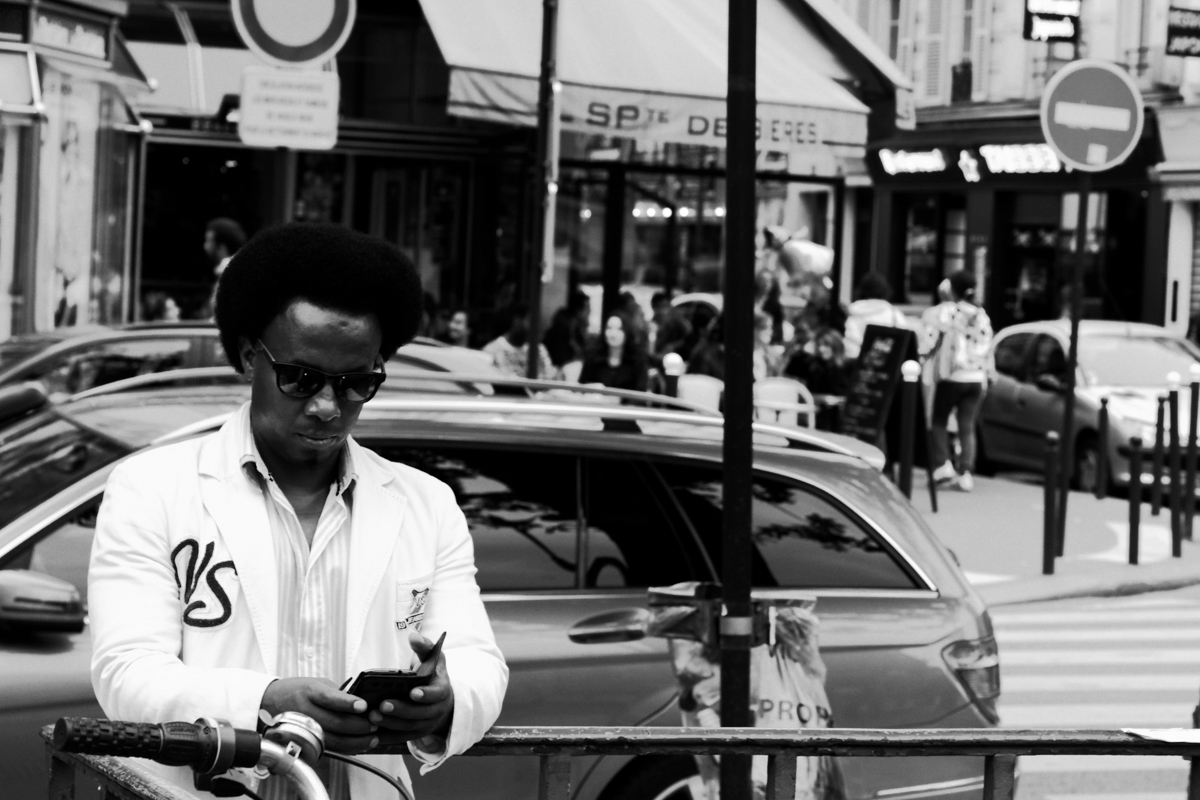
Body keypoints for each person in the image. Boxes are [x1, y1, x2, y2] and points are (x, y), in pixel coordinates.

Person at [88, 223, 509, 800]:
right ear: (245, 355)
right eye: (301, 378)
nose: (326, 406)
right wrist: (265, 701)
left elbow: (480, 663)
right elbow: (126, 674)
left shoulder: (426, 503)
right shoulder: (151, 488)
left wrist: (447, 701)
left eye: (357, 383)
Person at [920, 269, 994, 492]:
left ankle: (943, 466)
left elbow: (929, 340)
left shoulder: (947, 312)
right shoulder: (982, 315)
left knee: (939, 420)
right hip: (977, 378)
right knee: (967, 425)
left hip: (952, 375)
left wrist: (921, 356)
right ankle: (966, 473)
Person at [579, 311, 649, 391]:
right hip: (596, 402)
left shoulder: (637, 358)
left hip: (627, 403)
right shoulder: (592, 356)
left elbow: (641, 392)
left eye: (619, 329)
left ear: (627, 332)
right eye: (609, 328)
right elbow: (581, 387)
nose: (613, 334)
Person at [483, 302, 554, 379]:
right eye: (531, 321)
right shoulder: (492, 350)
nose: (534, 327)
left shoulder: (539, 349)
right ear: (517, 320)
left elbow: (548, 376)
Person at [844, 273, 907, 359]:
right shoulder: (893, 313)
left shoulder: (854, 313)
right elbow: (904, 339)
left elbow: (851, 341)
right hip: (887, 361)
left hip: (861, 362)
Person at [203, 217, 247, 318]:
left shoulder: (228, 274)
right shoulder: (240, 269)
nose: (205, 246)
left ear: (221, 247)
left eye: (208, 241)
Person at [543, 290, 590, 367]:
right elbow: (561, 360)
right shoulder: (560, 332)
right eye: (587, 308)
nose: (589, 311)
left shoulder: (577, 330)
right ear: (578, 310)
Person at [752, 310, 782, 380]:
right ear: (753, 329)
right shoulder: (738, 355)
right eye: (765, 327)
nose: (770, 332)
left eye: (771, 328)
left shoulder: (773, 355)